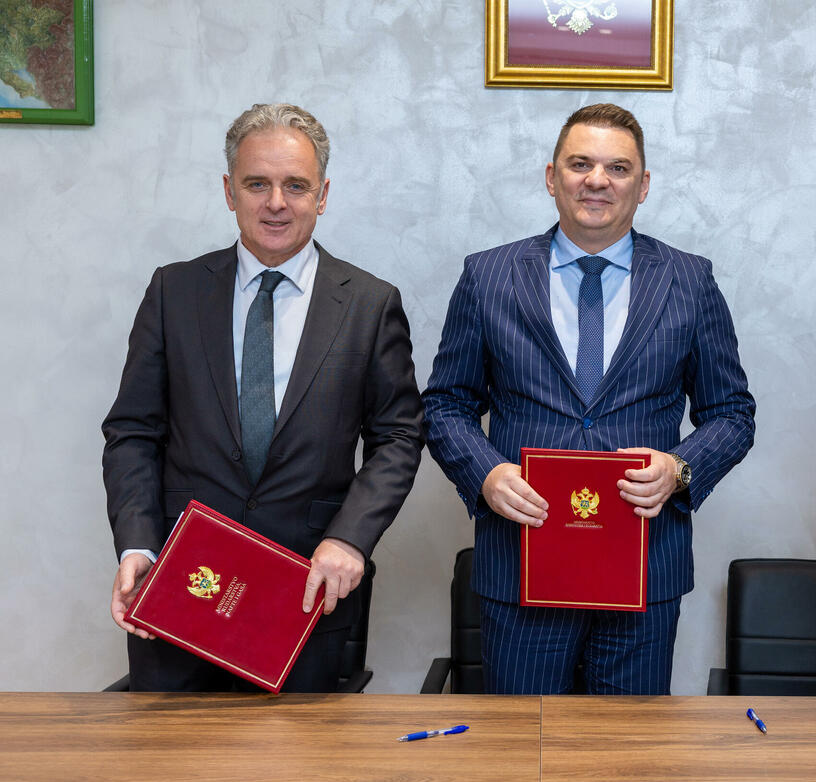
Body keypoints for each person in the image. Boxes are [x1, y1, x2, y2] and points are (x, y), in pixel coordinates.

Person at [422, 103, 755, 695]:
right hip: (522, 564)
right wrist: (485, 473)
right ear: (552, 177)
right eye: (580, 164)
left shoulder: (690, 280)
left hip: (644, 568)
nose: (597, 180)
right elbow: (446, 403)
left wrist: (679, 468)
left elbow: (731, 414)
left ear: (642, 186)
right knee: (522, 744)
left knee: (627, 749)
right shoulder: (488, 276)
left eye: (618, 168)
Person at [103, 103, 424, 691]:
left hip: (305, 596)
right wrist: (138, 544)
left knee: (297, 754)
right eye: (257, 184)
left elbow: (399, 436)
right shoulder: (174, 291)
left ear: (322, 195)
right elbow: (132, 432)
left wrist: (349, 536)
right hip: (181, 587)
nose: (276, 202)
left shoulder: (370, 304)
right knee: (171, 753)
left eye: (295, 185)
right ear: (230, 191)